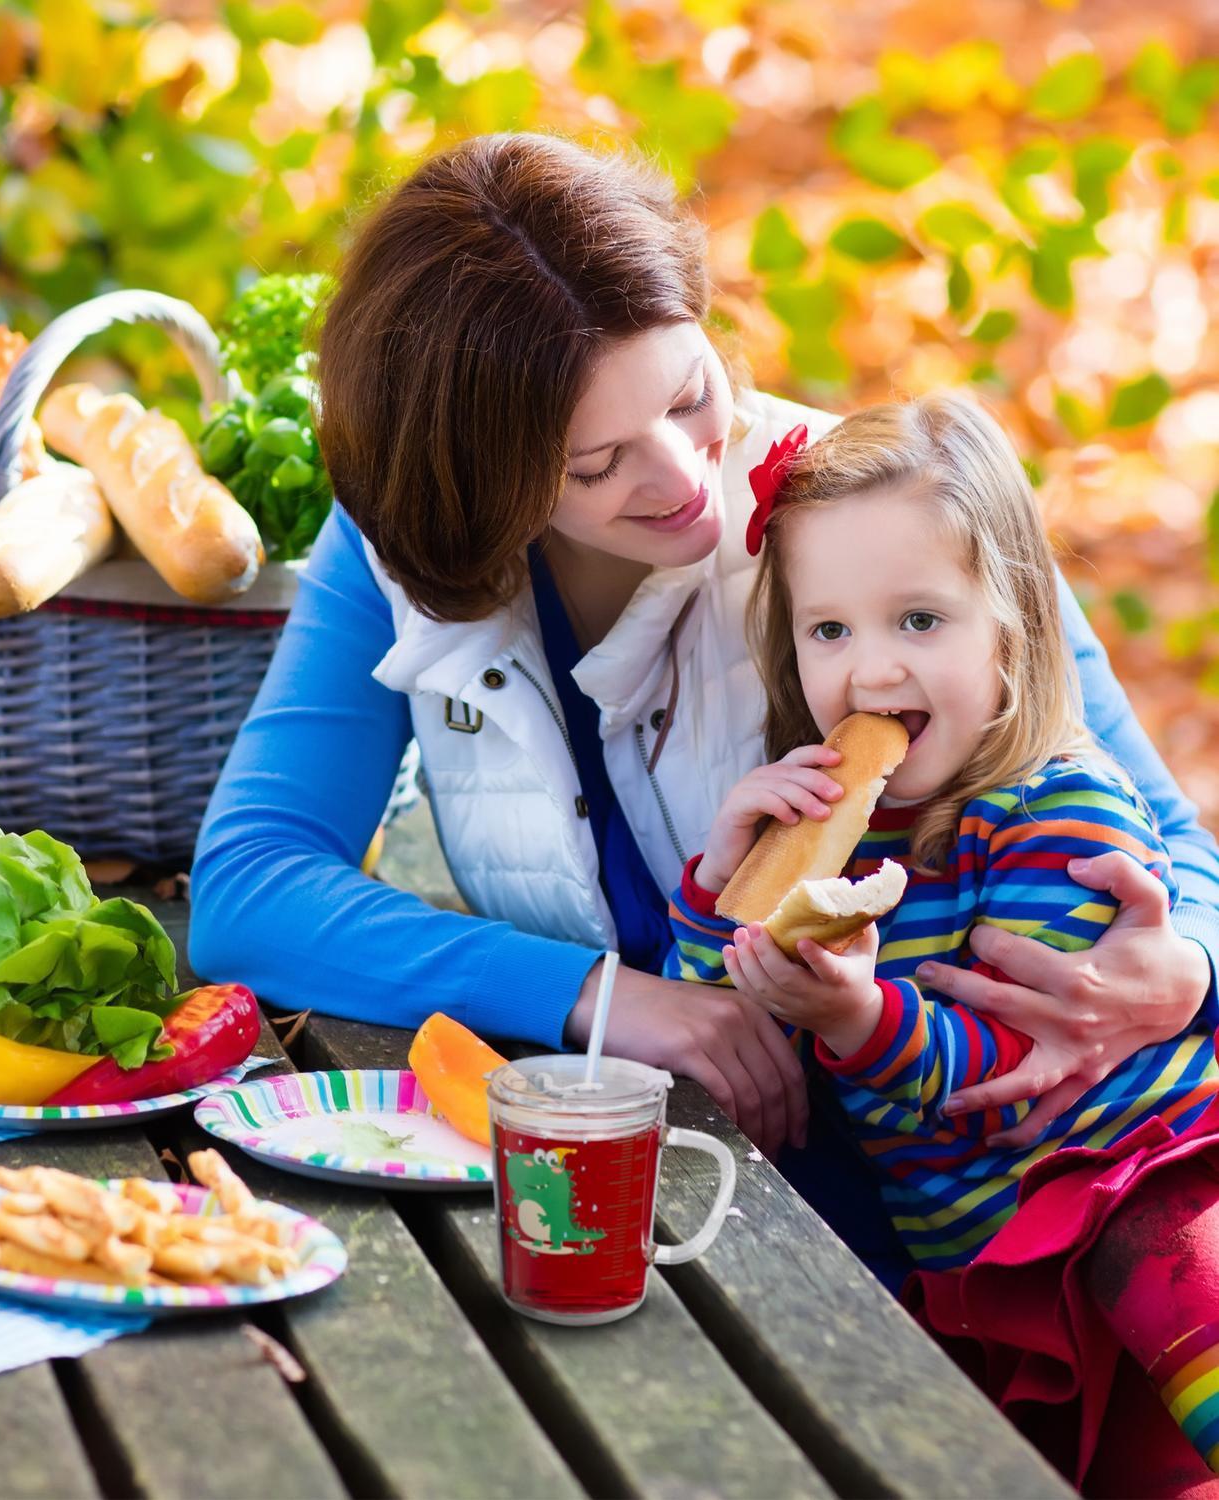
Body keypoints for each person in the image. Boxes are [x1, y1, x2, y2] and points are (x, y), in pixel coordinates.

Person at [189, 132, 1219, 1284]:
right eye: (595, 464)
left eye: (691, 397)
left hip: (949, 1184)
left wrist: (1190, 962)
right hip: (639, 1172)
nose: (683, 478)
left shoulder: (870, 516)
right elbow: (251, 888)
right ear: (479, 478)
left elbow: (1172, 838)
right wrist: (611, 1000)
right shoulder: (402, 547)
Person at [665, 391, 1219, 1494]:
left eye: (919, 621)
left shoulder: (1059, 812)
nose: (871, 672)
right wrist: (722, 887)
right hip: (986, 1261)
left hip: (1135, 1193)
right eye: (831, 630)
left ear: (1010, 633)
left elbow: (1014, 1072)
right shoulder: (840, 832)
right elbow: (725, 1017)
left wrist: (859, 1020)